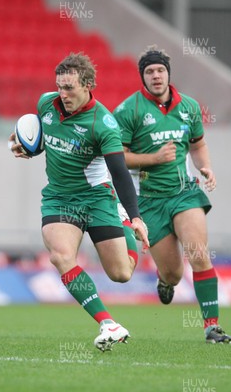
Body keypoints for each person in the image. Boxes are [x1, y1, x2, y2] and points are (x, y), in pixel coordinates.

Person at [9, 53, 150, 352]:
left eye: (69, 88)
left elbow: (119, 172)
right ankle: (107, 323)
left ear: (88, 85)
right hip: (59, 198)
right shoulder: (46, 104)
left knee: (121, 273)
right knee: (61, 256)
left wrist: (135, 217)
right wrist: (27, 148)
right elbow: (47, 139)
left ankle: (122, 220)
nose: (63, 94)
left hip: (98, 198)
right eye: (60, 86)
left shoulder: (104, 123)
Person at [113, 46, 231, 344]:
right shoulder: (129, 110)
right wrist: (153, 158)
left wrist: (206, 168)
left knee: (199, 255)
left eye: (160, 70)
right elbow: (118, 157)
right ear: (143, 77)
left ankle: (212, 327)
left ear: (168, 73)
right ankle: (165, 281)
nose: (156, 76)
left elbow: (198, 144)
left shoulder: (189, 107)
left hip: (184, 193)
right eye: (150, 72)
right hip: (149, 201)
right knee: (174, 273)